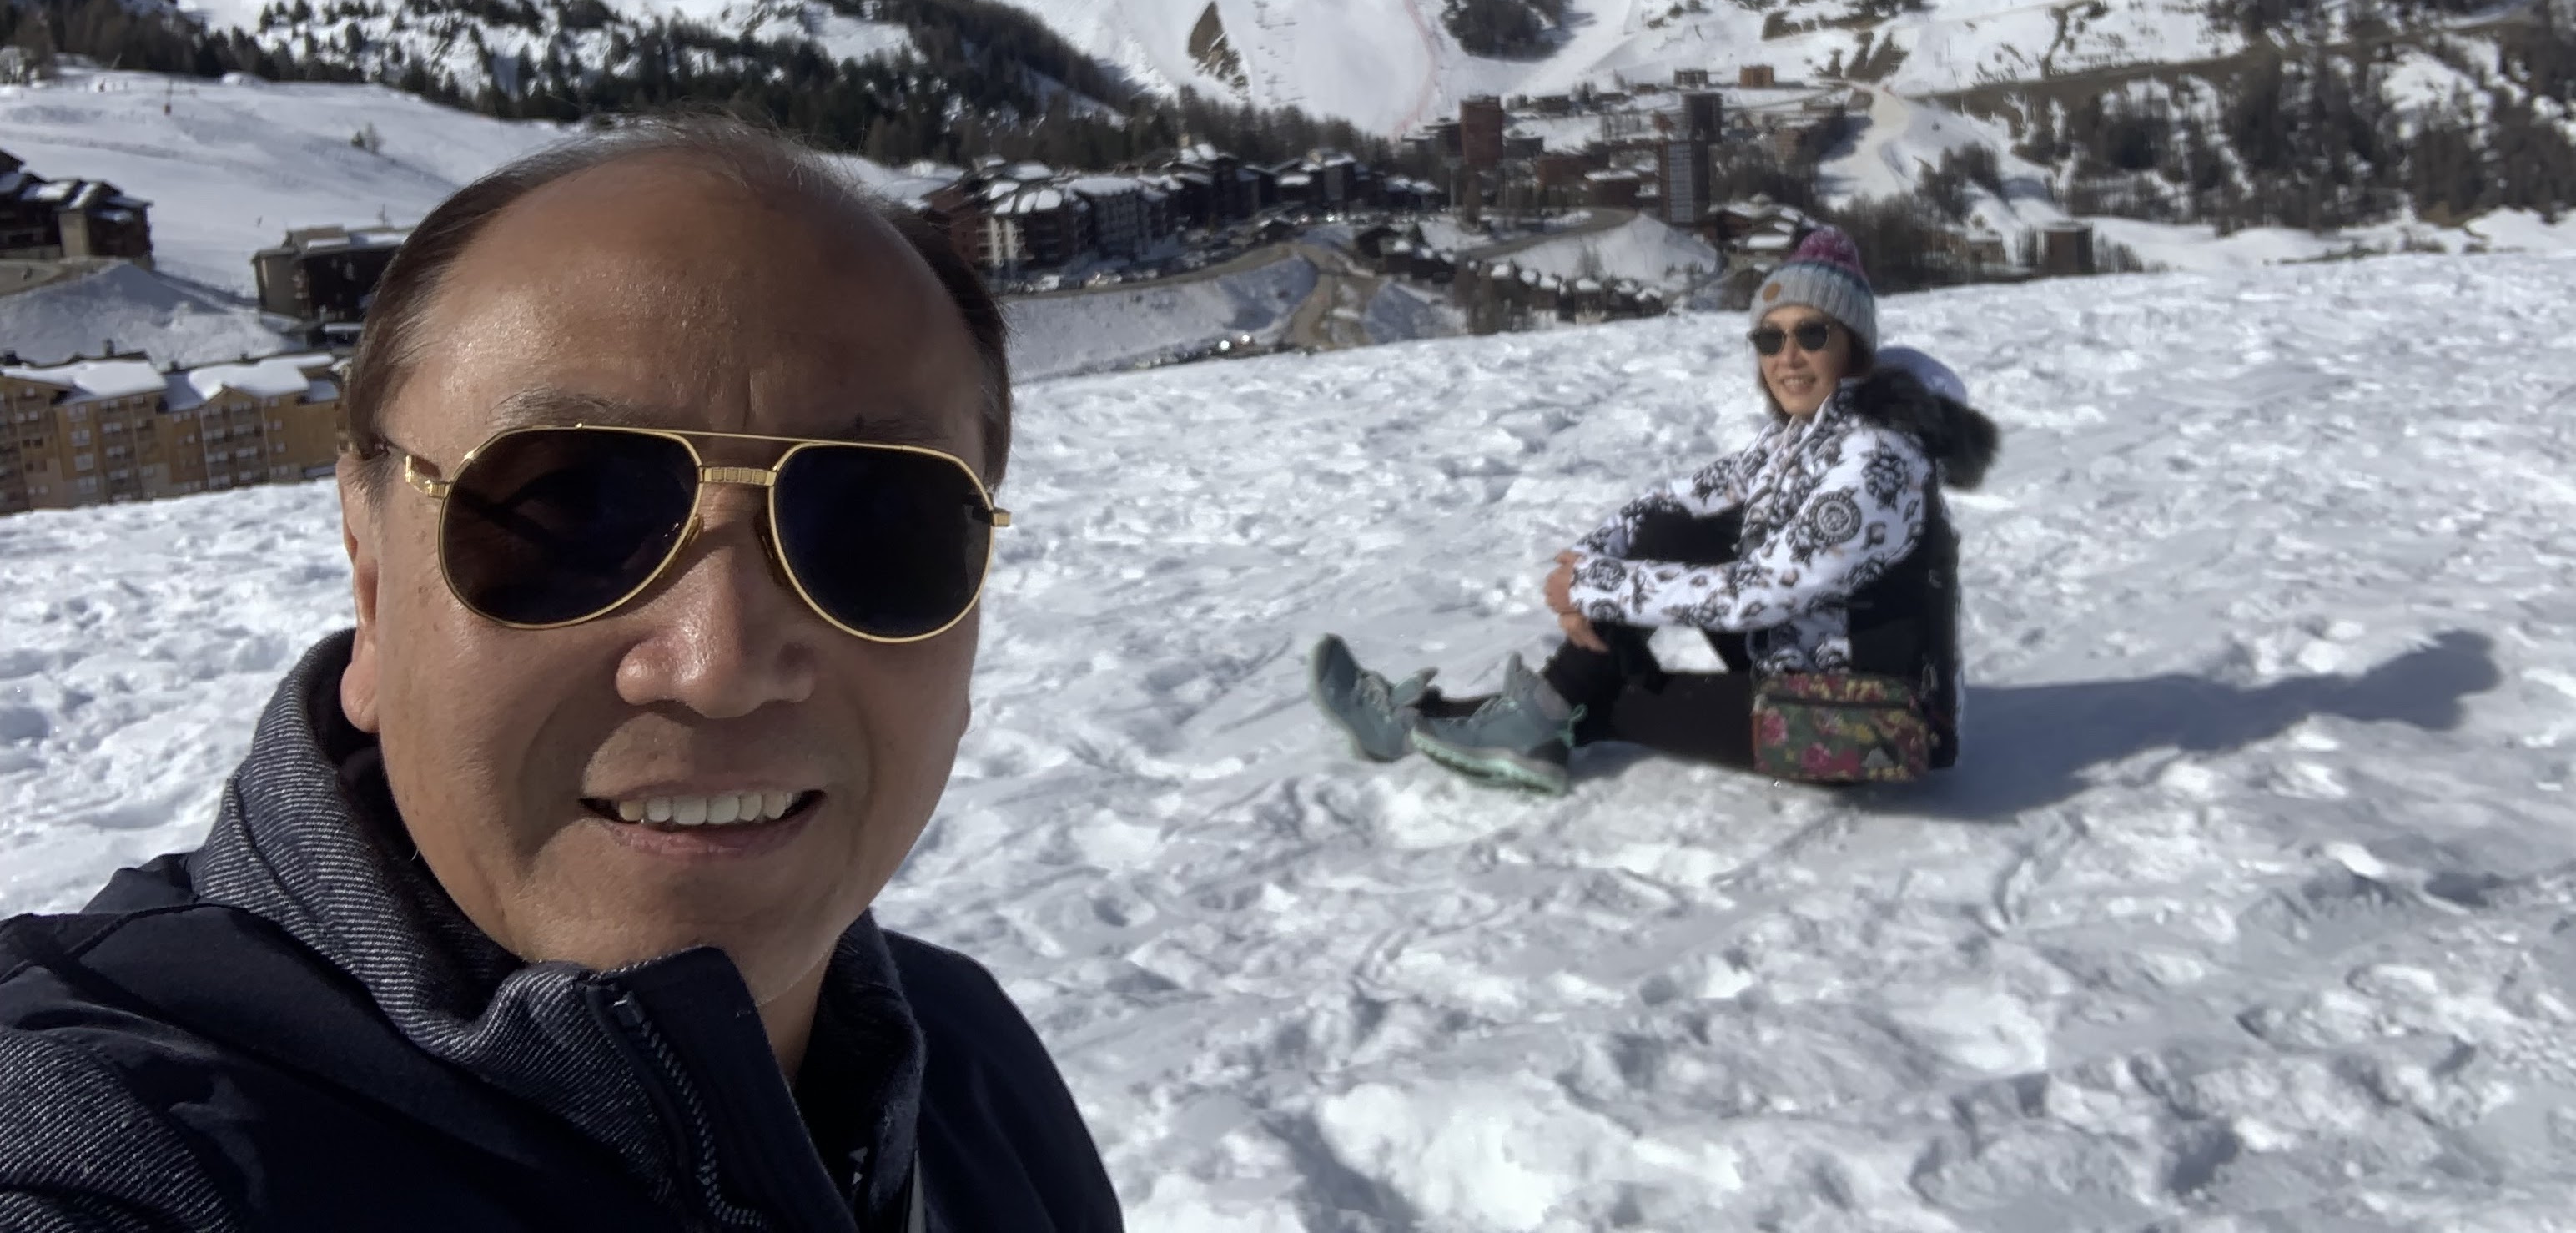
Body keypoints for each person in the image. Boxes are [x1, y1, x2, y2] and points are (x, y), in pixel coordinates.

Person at [0, 119, 1122, 1232]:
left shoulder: (971, 1067)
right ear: (373, 582)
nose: (719, 667)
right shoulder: (122, 1139)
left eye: (878, 522)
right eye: (570, 510)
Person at [1311, 225, 1997, 793]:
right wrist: (1589, 564)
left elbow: (1760, 592)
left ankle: (1426, 726)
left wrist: (1597, 587)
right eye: (1770, 339)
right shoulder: (1803, 437)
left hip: (1873, 726)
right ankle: (1509, 723)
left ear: (1855, 351)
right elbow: (1673, 503)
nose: (1787, 358)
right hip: (1808, 674)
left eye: (1812, 335)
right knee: (1671, 533)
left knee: (1600, 695)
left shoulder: (1878, 461)